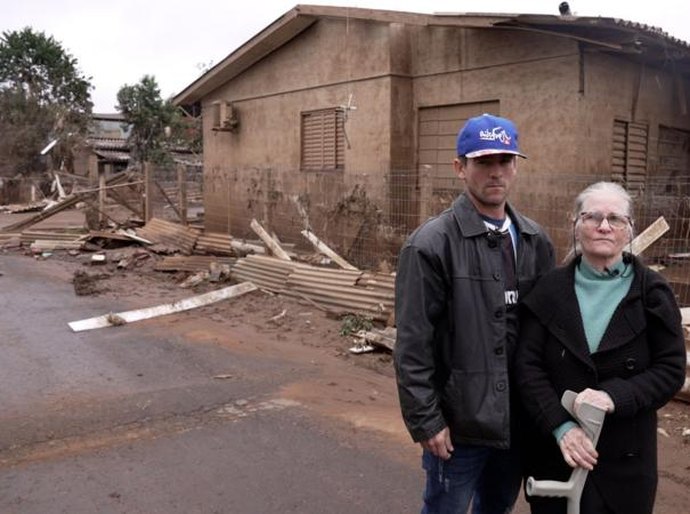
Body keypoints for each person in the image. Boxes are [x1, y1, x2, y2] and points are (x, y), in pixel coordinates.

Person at [394, 113, 555, 514]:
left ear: (516, 166)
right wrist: (427, 420)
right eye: (483, 162)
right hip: (459, 425)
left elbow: (547, 332)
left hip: (517, 422)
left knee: (497, 507)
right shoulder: (430, 245)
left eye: (505, 161)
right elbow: (413, 343)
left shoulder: (536, 240)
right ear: (460, 168)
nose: (496, 172)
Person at [515, 181, 687, 514]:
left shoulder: (652, 293)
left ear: (629, 229)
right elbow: (527, 366)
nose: (604, 226)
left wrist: (612, 396)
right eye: (592, 216)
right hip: (557, 453)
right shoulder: (548, 290)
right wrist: (561, 427)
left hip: (626, 462)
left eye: (615, 218)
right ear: (576, 225)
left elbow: (670, 370)